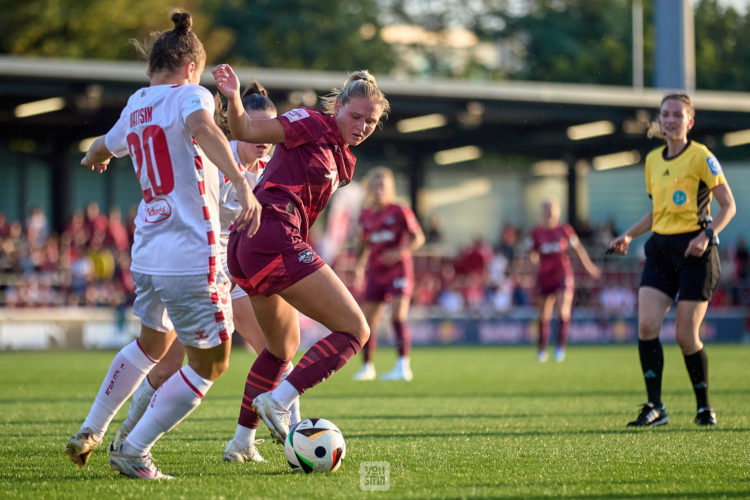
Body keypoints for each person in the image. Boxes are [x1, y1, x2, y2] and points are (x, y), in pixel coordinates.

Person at [65, 12, 260, 480]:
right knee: (212, 363)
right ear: (192, 67)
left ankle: (92, 428)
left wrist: (94, 157)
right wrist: (240, 181)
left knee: (151, 343)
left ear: (152, 67)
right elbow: (203, 126)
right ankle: (133, 449)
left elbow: (101, 147)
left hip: (149, 253)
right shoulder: (192, 95)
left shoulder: (136, 103)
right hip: (192, 251)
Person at [107, 81, 293, 465]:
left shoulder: (272, 168)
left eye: (268, 133)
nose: (263, 141)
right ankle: (126, 435)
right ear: (239, 128)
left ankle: (257, 440)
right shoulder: (214, 158)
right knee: (171, 363)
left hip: (243, 266)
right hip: (201, 261)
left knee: (278, 355)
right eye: (255, 131)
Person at [213, 63, 389, 442]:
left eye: (370, 122)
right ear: (337, 107)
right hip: (272, 236)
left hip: (252, 243)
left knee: (280, 348)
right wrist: (232, 98)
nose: (361, 126)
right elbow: (245, 130)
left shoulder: (343, 159)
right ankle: (280, 401)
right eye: (355, 116)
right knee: (356, 330)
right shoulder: (310, 122)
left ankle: (241, 442)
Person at [610, 91, 736, 427]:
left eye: (678, 114)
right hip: (661, 251)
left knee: (685, 336)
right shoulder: (652, 160)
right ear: (660, 119)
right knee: (647, 325)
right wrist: (629, 235)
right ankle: (655, 407)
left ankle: (704, 406)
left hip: (696, 253)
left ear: (689, 122)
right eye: (666, 114)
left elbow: (728, 205)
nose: (670, 119)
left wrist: (706, 235)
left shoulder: (701, 157)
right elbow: (658, 212)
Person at [351, 167, 425, 381]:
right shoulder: (365, 215)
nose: (378, 190)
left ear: (391, 189)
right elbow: (363, 245)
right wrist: (358, 267)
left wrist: (400, 252)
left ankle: (403, 366)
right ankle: (368, 367)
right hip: (375, 271)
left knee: (397, 317)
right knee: (368, 322)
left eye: (383, 186)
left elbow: (418, 238)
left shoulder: (400, 210)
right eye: (374, 186)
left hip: (399, 270)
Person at [529, 199, 601, 362]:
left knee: (562, 310)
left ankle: (560, 348)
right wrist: (533, 266)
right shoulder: (536, 233)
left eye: (552, 210)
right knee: (544, 314)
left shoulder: (565, 230)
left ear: (557, 212)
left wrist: (589, 267)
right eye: (547, 210)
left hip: (562, 274)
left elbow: (578, 250)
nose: (549, 213)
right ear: (542, 212)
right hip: (544, 276)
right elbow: (532, 253)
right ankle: (542, 348)